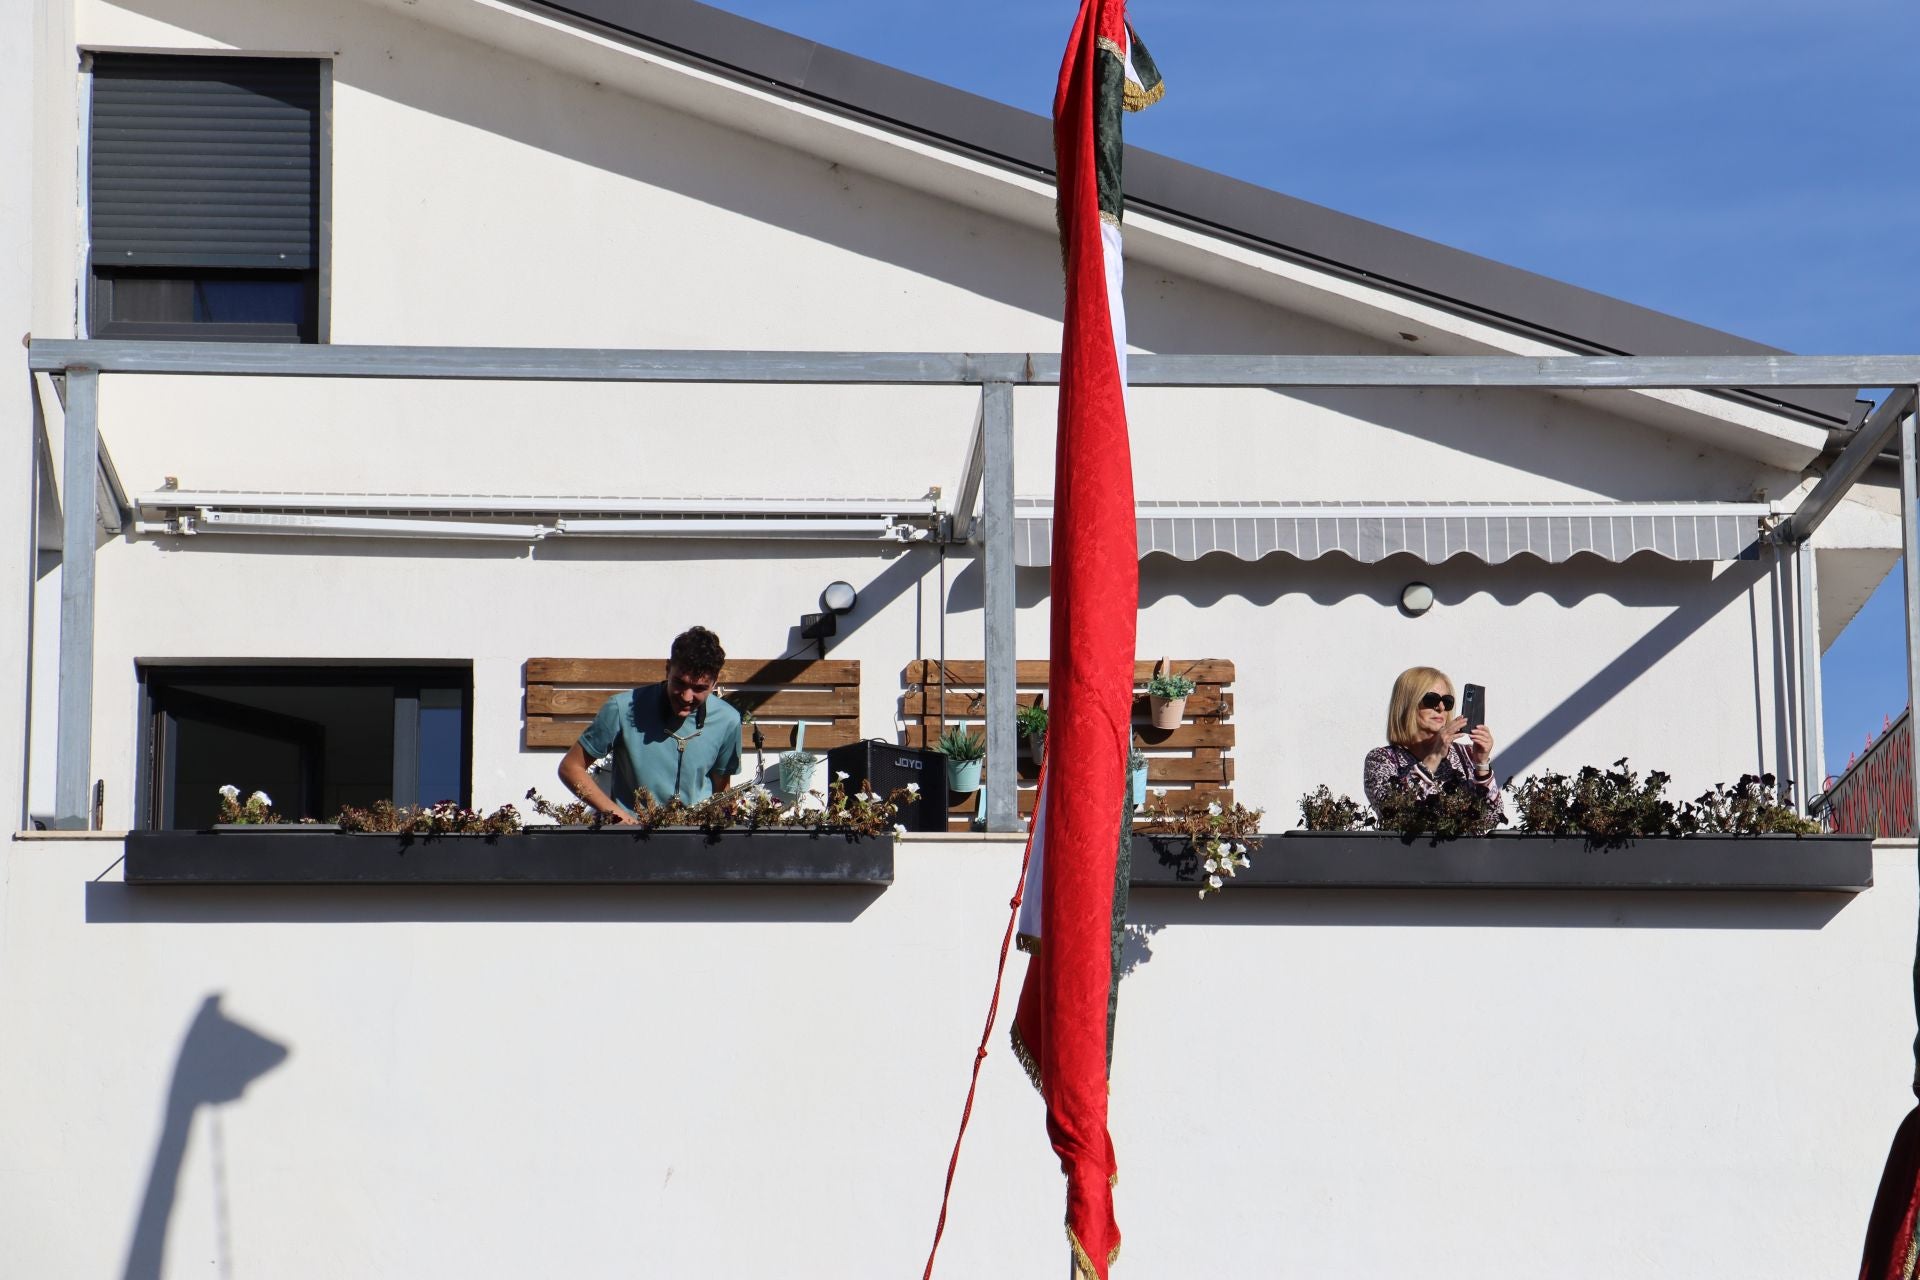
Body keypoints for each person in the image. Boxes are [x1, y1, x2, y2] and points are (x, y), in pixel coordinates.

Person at [558, 626, 743, 822]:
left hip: (696, 836)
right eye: (680, 683)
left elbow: (722, 790)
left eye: (699, 688)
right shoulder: (620, 708)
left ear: (715, 683)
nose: (687, 696)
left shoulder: (728, 720)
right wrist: (619, 818)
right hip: (633, 835)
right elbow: (570, 767)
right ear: (667, 668)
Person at [1362, 666, 1502, 819]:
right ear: (1407, 704)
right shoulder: (1382, 759)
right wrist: (1434, 757)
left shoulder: (1467, 754)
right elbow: (1393, 813)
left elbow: (1492, 818)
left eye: (1447, 701)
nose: (1441, 707)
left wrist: (1481, 764)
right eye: (1431, 699)